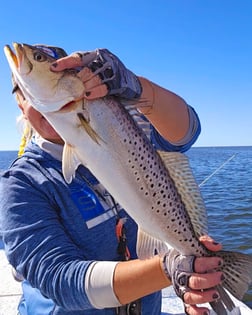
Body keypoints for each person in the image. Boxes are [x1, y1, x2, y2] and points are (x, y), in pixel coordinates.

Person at [0, 45, 224, 315]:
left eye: (42, 62)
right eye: (25, 93)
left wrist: (138, 87)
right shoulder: (21, 184)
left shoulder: (112, 126)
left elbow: (188, 133)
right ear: (20, 104)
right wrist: (167, 269)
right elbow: (58, 280)